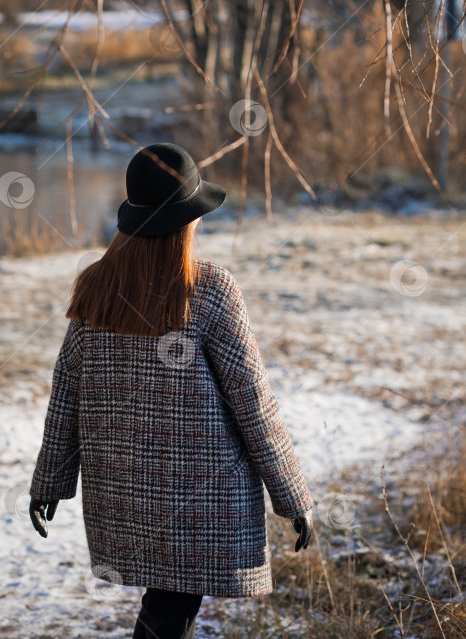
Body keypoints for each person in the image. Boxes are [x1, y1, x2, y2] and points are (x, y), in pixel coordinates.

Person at [29, 143, 315, 639]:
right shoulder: (209, 290)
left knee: (166, 608)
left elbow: (66, 396)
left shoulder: (96, 286)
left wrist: (50, 481)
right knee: (167, 615)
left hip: (124, 498)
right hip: (199, 506)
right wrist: (292, 497)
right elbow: (253, 404)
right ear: (187, 222)